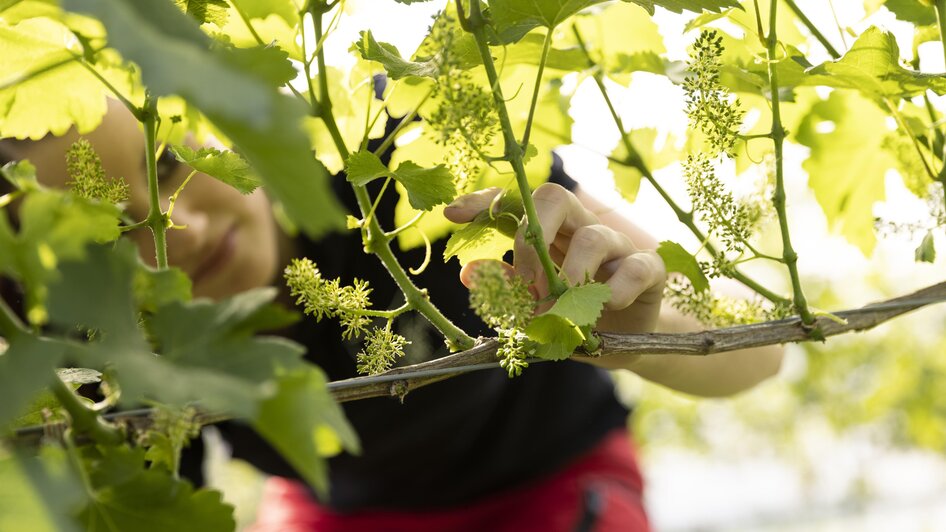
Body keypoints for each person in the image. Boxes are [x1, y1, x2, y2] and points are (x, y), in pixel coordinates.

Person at [1, 99, 783, 531]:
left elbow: (758, 358)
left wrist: (634, 336)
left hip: (552, 481)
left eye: (169, 163)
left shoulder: (411, 149)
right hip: (345, 515)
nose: (181, 231)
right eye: (107, 234)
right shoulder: (79, 342)